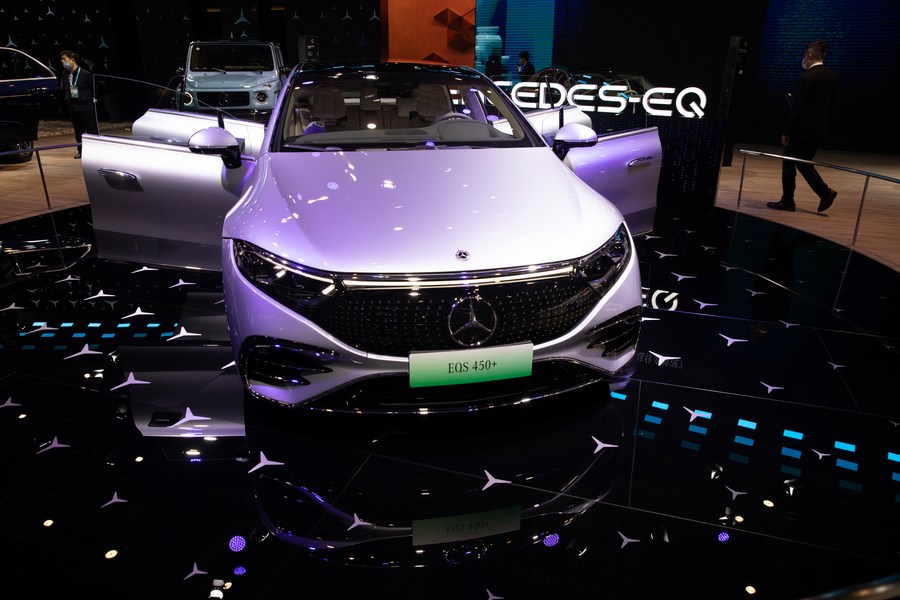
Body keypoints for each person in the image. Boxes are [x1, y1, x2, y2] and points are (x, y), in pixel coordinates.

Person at [767, 40, 838, 213]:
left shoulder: (806, 77)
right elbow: (830, 105)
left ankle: (788, 200)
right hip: (819, 128)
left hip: (801, 130)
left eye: (804, 55)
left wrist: (787, 131)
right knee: (804, 162)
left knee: (789, 164)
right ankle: (824, 193)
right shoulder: (831, 76)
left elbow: (798, 108)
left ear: (810, 56)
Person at [58, 50, 99, 159]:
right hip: (72, 107)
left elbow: (94, 89)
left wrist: (90, 100)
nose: (62, 62)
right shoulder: (64, 75)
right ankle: (81, 151)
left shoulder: (86, 74)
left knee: (91, 130)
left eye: (64, 59)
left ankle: (96, 151)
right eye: (61, 60)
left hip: (86, 106)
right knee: (78, 132)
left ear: (72, 60)